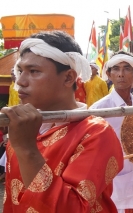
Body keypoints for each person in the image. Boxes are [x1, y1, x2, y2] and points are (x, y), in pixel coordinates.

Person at [1, 31, 123, 212]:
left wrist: (27, 149)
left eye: (34, 71)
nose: (21, 82)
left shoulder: (96, 133)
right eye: (20, 71)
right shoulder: (24, 128)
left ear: (68, 77)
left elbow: (71, 208)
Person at [90, 51, 133, 213]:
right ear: (109, 74)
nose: (120, 74)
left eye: (126, 69)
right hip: (114, 180)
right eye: (116, 69)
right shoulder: (99, 109)